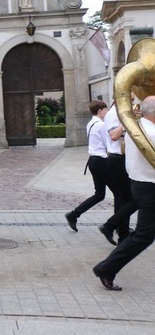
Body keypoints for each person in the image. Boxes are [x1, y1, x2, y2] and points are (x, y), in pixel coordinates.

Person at [93, 96, 155, 291]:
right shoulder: (151, 132)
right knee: (143, 236)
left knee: (142, 234)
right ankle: (106, 268)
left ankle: (106, 267)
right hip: (149, 186)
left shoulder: (134, 126)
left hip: (140, 182)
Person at [64, 101, 111, 232]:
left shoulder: (91, 123)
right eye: (105, 110)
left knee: (99, 194)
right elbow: (108, 144)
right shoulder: (101, 125)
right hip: (101, 161)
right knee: (119, 193)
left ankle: (74, 214)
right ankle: (117, 225)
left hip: (93, 161)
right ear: (100, 111)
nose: (106, 113)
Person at [98, 99, 137, 245]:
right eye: (131, 98)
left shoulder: (122, 112)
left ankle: (123, 236)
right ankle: (110, 226)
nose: (133, 101)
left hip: (123, 159)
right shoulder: (113, 113)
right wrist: (127, 121)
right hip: (117, 159)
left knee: (123, 199)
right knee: (136, 199)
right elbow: (114, 135)